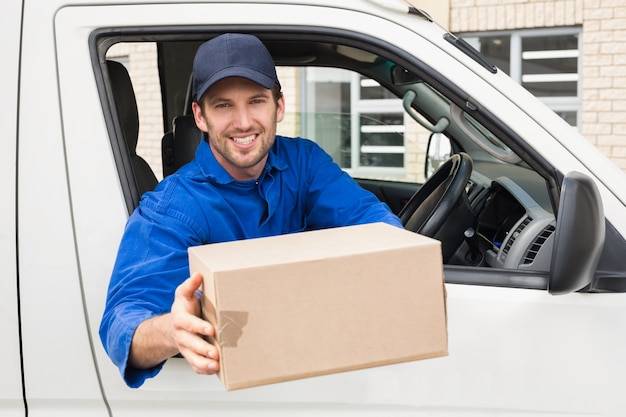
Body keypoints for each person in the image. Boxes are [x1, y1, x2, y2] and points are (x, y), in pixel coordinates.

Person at [99, 33, 402, 388]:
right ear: (200, 115)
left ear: (279, 106)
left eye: (256, 101)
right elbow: (122, 325)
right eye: (224, 105)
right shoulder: (173, 207)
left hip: (320, 376)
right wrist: (172, 330)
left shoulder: (305, 163)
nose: (243, 122)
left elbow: (381, 229)